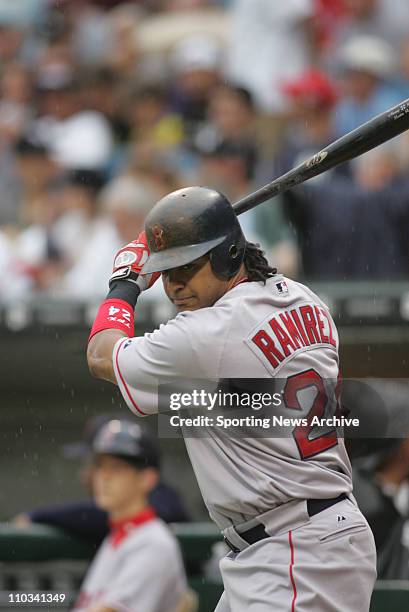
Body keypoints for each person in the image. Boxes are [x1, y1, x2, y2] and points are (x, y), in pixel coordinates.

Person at [87, 186, 377, 611]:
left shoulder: (207, 334)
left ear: (228, 255)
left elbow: (100, 356)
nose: (174, 285)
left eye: (187, 267)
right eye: (166, 271)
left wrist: (126, 282)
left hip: (297, 549)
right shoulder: (305, 300)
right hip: (298, 541)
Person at [73, 417, 195, 612]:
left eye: (116, 467)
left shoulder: (153, 543)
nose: (103, 476)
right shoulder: (117, 536)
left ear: (147, 478)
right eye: (100, 466)